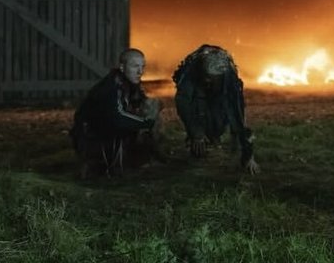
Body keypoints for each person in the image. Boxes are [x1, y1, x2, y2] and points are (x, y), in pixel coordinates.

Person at [69, 47, 163, 178]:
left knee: (152, 107)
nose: (140, 72)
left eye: (142, 66)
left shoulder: (130, 85)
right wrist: (147, 123)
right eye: (135, 66)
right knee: (145, 122)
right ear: (122, 67)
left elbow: (139, 104)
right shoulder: (112, 87)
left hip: (107, 132)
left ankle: (142, 158)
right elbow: (118, 118)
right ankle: (101, 164)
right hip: (92, 137)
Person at [172, 44, 259, 174]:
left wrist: (248, 156)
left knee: (219, 119)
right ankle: (198, 143)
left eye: (211, 78)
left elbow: (237, 115)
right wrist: (196, 133)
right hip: (197, 95)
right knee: (199, 114)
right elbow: (184, 104)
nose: (208, 80)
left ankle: (213, 138)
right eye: (206, 76)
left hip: (219, 94)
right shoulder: (191, 74)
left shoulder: (230, 82)